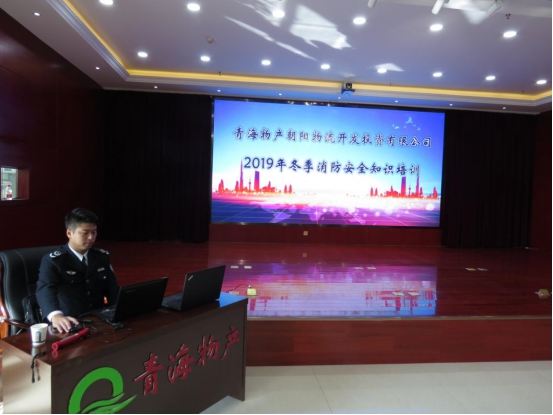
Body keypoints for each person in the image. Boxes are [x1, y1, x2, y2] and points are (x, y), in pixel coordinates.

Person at [36, 208, 119, 333]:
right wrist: (56, 315)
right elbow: (45, 288)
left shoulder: (101, 257)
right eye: (85, 233)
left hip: (99, 320)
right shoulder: (54, 261)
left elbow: (112, 289)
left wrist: (120, 310)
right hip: (69, 323)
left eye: (94, 232)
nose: (91, 237)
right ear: (69, 233)